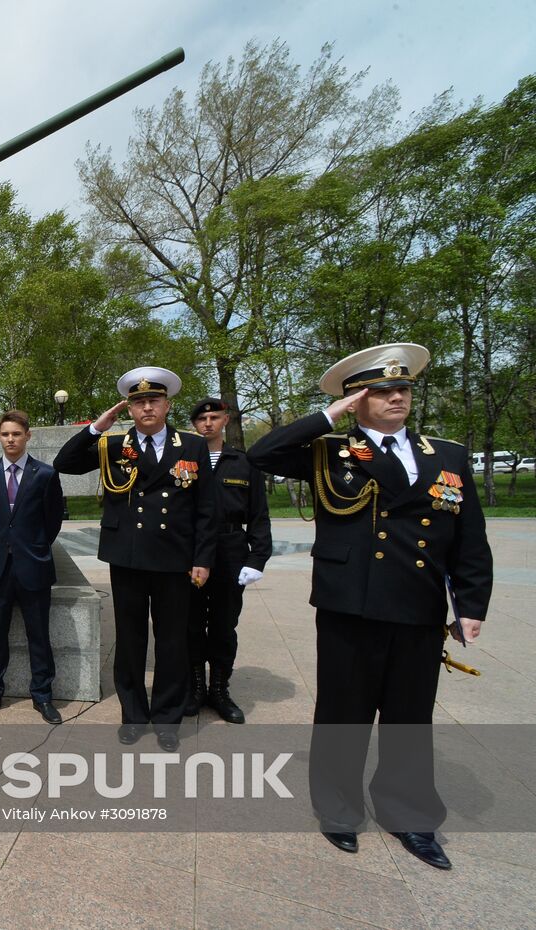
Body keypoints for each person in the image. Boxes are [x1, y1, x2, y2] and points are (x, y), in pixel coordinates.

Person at [247, 343, 492, 870]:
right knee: (344, 712)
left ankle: (407, 813)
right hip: (350, 604)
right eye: (381, 391)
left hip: (418, 604)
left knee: (409, 717)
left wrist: (470, 603)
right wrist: (327, 416)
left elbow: (470, 536)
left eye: (402, 388)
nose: (397, 397)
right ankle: (338, 808)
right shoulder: (330, 449)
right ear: (357, 399)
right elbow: (262, 454)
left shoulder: (445, 455)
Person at [53, 368, 216, 751]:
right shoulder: (115, 445)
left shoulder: (190, 445)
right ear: (129, 408)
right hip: (126, 556)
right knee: (130, 640)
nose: (147, 407)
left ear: (166, 405)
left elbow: (207, 508)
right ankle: (134, 715)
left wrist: (203, 558)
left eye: (153, 400)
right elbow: (65, 462)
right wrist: (96, 427)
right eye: (138, 402)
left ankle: (167, 719)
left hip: (174, 558)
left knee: (172, 641)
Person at [0, 411, 66, 725]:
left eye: (16, 434)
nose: (11, 439)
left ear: (27, 436)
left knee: (38, 635)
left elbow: (52, 520)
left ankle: (42, 696)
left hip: (34, 566)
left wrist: (33, 546)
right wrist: (3, 544)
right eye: (5, 434)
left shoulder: (45, 474)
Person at [185, 398, 273, 724]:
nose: (208, 423)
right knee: (191, 622)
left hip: (230, 551)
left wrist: (257, 558)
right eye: (201, 418)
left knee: (224, 624)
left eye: (214, 417)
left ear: (225, 419)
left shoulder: (243, 462)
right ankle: (195, 688)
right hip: (191, 554)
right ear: (194, 424)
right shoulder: (184, 459)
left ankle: (219, 689)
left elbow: (259, 515)